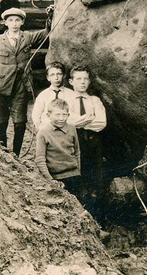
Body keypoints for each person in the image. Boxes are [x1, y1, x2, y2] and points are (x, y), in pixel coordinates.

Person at [0, 7, 50, 156]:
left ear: (22, 22)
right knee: (2, 121)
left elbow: (46, 33)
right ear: (5, 23)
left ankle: (16, 155)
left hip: (20, 86)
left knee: (20, 122)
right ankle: (4, 153)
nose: (14, 23)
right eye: (10, 20)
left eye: (17, 20)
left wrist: (50, 17)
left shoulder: (27, 37)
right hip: (0, 85)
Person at [68, 66, 107, 196]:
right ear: (71, 82)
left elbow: (101, 122)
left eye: (85, 79)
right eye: (79, 79)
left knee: (95, 169)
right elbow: (68, 121)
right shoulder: (66, 101)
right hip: (75, 138)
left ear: (89, 81)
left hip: (94, 139)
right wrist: (89, 119)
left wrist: (80, 122)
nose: (83, 82)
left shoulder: (95, 101)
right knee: (78, 166)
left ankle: (96, 195)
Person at [34, 98, 81, 192]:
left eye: (64, 115)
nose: (61, 118)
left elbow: (77, 152)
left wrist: (78, 172)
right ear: (48, 115)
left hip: (74, 175)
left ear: (68, 115)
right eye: (57, 115)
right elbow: (40, 160)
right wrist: (50, 180)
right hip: (56, 177)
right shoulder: (43, 133)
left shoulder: (72, 129)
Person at [31, 62, 76, 130]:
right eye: (52, 75)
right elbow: (36, 115)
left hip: (67, 131)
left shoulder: (72, 94)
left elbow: (75, 115)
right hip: (47, 130)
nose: (56, 78)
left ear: (64, 75)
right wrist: (41, 129)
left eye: (59, 74)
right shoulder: (43, 95)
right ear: (48, 78)